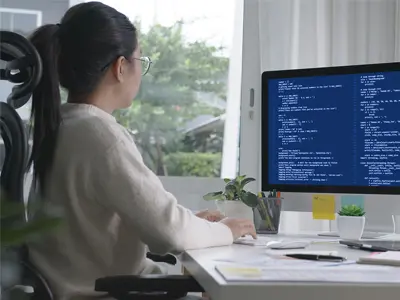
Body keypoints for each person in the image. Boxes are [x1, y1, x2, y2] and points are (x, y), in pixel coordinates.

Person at [26, 2, 256, 299]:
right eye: (140, 59)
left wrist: (192, 224)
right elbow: (170, 232)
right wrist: (227, 231)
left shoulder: (63, 123)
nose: (141, 70)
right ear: (120, 68)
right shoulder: (101, 135)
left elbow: (138, 220)